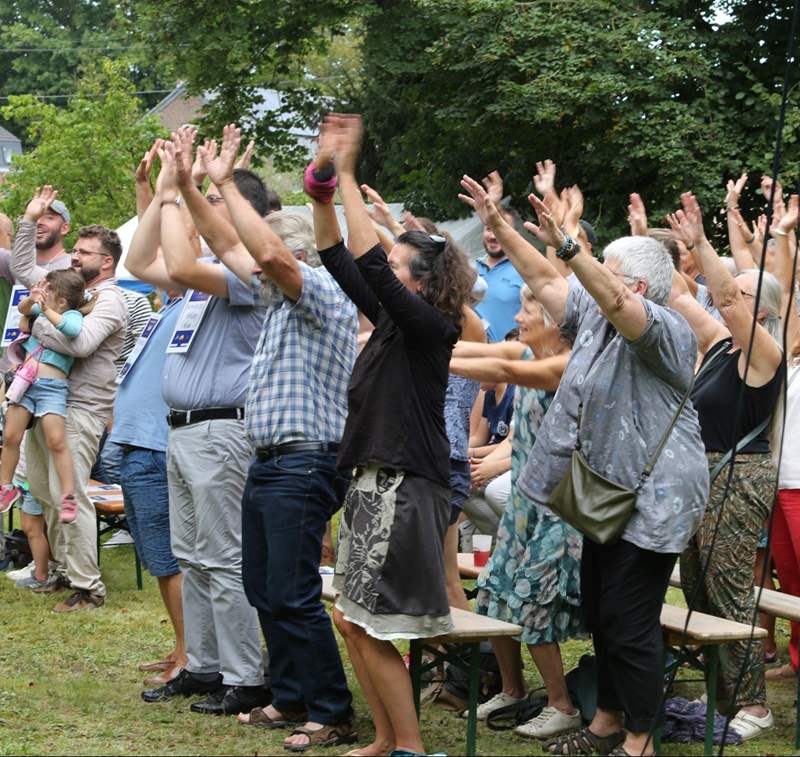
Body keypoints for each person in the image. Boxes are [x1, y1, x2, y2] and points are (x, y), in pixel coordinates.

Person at [459, 176, 709, 756]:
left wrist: (573, 245)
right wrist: (497, 223)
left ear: (639, 284)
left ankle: (640, 740)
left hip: (658, 497)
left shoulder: (664, 329)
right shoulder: (594, 319)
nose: (585, 278)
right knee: (601, 609)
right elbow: (547, 279)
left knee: (630, 617)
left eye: (605, 270)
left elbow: (615, 299)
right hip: (604, 489)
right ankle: (606, 722)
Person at [179, 124, 359, 751]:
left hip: (306, 463)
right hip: (270, 461)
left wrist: (226, 181)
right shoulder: (279, 300)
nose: (252, 267)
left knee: (293, 590)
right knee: (263, 586)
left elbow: (270, 256)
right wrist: (187, 186)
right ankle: (288, 697)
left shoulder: (322, 293)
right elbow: (230, 243)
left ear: (296, 258)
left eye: (267, 260)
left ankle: (331, 709)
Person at [317, 113, 474, 757]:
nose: (389, 269)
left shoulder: (431, 329)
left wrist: (350, 174)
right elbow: (335, 255)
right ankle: (387, 740)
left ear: (423, 282)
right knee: (350, 620)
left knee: (372, 626)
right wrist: (322, 194)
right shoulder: (390, 320)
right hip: (372, 479)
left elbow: (371, 266)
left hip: (405, 486)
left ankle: (409, 749)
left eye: (400, 265)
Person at [130, 133, 268, 716]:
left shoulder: (252, 271)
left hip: (221, 430)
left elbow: (177, 259)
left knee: (224, 556)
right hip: (184, 430)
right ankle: (207, 666)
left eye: (213, 201)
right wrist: (163, 190)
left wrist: (173, 192)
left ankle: (247, 675)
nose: (200, 211)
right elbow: (138, 263)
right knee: (193, 555)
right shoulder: (200, 278)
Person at [666, 192, 784, 742]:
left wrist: (706, 248)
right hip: (701, 478)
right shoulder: (717, 346)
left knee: (730, 585)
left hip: (739, 480)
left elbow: (720, 296)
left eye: (741, 294)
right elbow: (680, 295)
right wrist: (664, 248)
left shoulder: (766, 355)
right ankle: (721, 689)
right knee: (695, 583)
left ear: (763, 310)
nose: (728, 299)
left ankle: (753, 704)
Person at [450, 284, 584, 738]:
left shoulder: (565, 369)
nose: (518, 315)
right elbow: (478, 352)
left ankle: (562, 703)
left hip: (560, 507)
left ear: (554, 320)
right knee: (493, 591)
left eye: (528, 308)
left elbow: (494, 360)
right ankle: (513, 689)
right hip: (525, 505)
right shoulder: (529, 357)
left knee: (532, 599)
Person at [11, 187, 127, 612]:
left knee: (69, 494)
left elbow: (81, 345)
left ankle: (88, 587)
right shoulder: (76, 291)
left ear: (107, 260)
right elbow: (26, 267)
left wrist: (38, 318)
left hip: (80, 410)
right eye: (74, 250)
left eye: (83, 252)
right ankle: (63, 570)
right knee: (45, 490)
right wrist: (29, 220)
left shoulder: (111, 300)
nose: (74, 257)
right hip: (47, 401)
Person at [111, 179, 188, 687]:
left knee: (170, 558)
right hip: (138, 444)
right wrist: (148, 193)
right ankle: (182, 646)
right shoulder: (170, 304)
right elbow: (149, 253)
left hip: (158, 446)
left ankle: (190, 654)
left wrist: (174, 196)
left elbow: (171, 254)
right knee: (160, 559)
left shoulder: (198, 300)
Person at [0, 269, 94, 528]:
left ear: (61, 300)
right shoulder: (41, 310)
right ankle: (5, 486)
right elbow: (22, 310)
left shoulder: (71, 315)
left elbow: (72, 330)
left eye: (48, 290)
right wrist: (32, 300)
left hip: (53, 388)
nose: (45, 295)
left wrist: (46, 310)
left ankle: (68, 496)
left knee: (56, 441)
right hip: (27, 385)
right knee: (10, 436)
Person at [472, 171, 526, 342]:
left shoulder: (524, 272)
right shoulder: (468, 269)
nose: (493, 236)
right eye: (489, 228)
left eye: (499, 230)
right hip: (466, 361)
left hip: (506, 362)